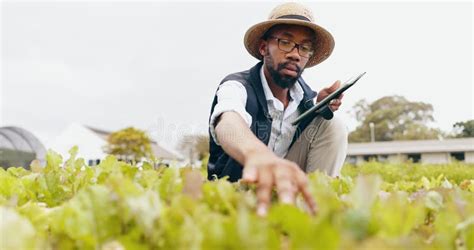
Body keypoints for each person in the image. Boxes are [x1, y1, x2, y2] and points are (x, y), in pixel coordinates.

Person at [207, 2, 348, 216]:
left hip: (283, 187)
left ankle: (313, 210)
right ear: (264, 48)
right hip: (237, 189)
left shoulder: (306, 99)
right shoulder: (237, 86)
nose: (295, 54)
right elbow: (228, 122)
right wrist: (257, 154)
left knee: (332, 125)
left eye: (304, 47)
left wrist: (319, 107)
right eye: (285, 42)